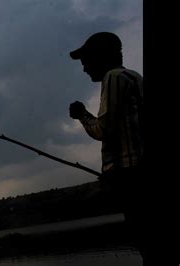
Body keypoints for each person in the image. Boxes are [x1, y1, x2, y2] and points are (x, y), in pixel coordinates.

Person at [68, 31, 179, 266]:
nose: (85, 68)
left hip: (133, 177)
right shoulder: (134, 76)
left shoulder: (114, 78)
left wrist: (82, 115)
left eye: (86, 61)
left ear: (101, 57)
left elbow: (103, 130)